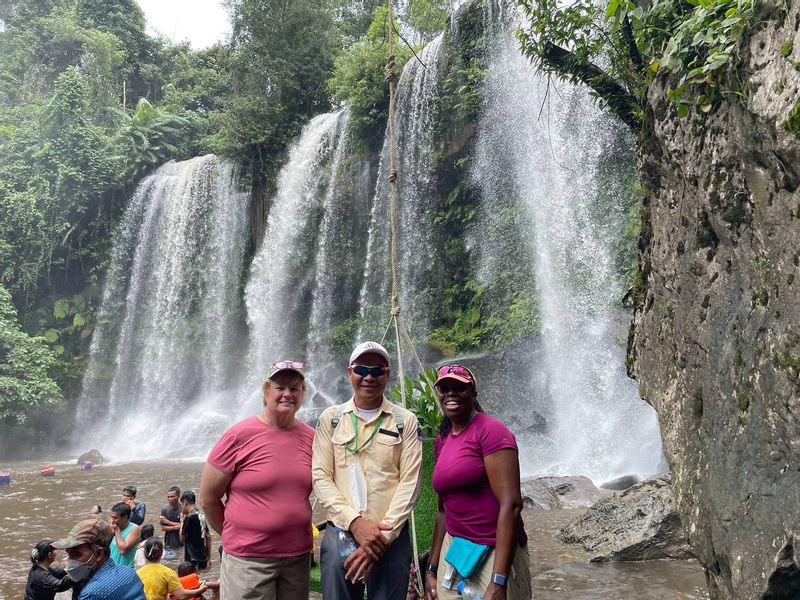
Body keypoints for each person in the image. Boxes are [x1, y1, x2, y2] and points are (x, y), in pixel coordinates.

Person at [312, 341, 423, 600]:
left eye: (377, 370)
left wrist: (381, 537)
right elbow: (320, 477)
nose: (369, 376)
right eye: (362, 369)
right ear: (350, 372)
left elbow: (410, 482)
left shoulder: (404, 421)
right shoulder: (331, 418)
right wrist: (355, 522)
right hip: (341, 533)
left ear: (387, 374)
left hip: (390, 540)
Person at [199, 360, 315, 600]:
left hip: (297, 558)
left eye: (295, 388)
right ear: (266, 391)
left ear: (303, 393)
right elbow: (208, 498)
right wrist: (235, 535)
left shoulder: (312, 438)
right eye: (280, 387)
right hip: (248, 560)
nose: (287, 394)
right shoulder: (238, 435)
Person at [424, 365, 531, 600]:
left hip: (493, 552)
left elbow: (511, 504)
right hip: (454, 551)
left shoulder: (491, 432)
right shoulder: (443, 439)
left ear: (473, 393)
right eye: (444, 388)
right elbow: (442, 510)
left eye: (459, 388)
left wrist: (499, 580)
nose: (450, 393)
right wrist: (431, 569)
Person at [52, 518, 146, 600]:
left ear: (99, 554)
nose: (70, 561)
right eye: (69, 554)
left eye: (77, 554)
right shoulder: (129, 571)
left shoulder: (92, 593)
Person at [136, 538, 208, 600]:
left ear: (145, 554)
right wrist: (200, 590)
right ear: (161, 553)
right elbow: (182, 596)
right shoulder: (168, 573)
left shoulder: (137, 573)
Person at [179, 491, 211, 571]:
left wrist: (182, 521)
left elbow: (182, 538)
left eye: (182, 505)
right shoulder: (201, 515)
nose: (182, 508)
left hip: (192, 558)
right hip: (203, 556)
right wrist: (209, 557)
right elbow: (208, 537)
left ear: (185, 503)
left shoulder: (189, 518)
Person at [110, 502, 142, 568]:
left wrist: (116, 530)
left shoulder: (135, 528)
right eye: (112, 517)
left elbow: (123, 550)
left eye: (115, 518)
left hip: (125, 570)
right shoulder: (114, 527)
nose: (112, 521)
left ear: (125, 517)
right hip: (111, 567)